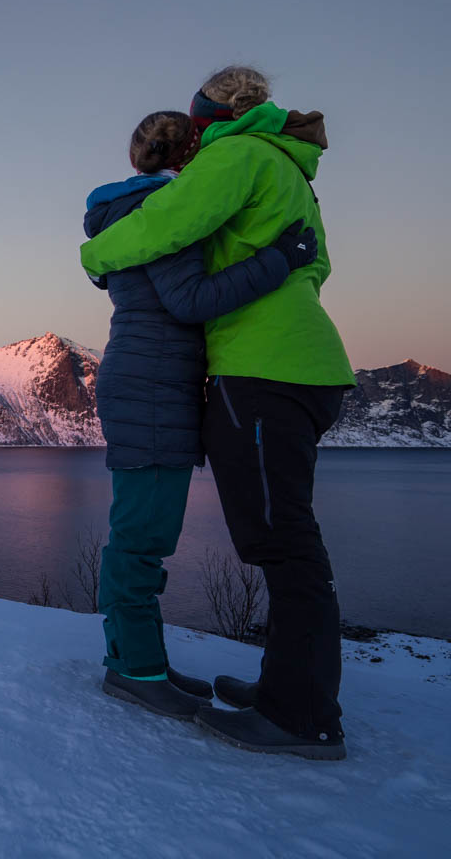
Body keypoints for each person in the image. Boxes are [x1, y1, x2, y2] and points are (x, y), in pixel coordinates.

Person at [81, 67, 355, 761]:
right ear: (187, 153)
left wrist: (95, 256)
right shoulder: (262, 170)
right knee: (158, 535)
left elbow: (177, 261)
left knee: (266, 540)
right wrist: (275, 260)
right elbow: (200, 294)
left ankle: (281, 701)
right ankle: (142, 669)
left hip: (235, 376)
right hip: (192, 386)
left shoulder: (230, 167)